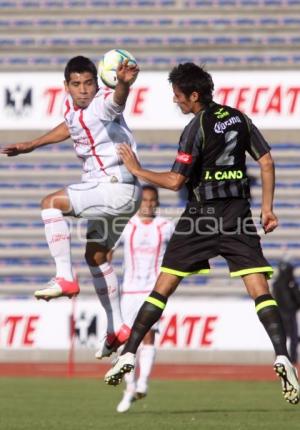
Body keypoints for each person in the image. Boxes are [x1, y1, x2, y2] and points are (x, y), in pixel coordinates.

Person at [104, 62, 299, 405]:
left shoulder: (196, 127)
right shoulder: (239, 117)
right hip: (239, 213)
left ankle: (129, 353)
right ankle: (282, 355)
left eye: (178, 96)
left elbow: (175, 181)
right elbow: (266, 161)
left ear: (194, 96)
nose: (176, 102)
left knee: (162, 286)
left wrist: (137, 169)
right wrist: (268, 208)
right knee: (260, 290)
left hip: (202, 216)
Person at [1, 55, 141, 358]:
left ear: (97, 82)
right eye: (76, 84)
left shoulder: (103, 100)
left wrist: (125, 86)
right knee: (96, 256)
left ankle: (64, 276)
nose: (83, 90)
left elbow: (116, 102)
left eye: (88, 83)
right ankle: (117, 326)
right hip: (123, 194)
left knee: (49, 204)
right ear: (66, 86)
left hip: (113, 186)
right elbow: (69, 126)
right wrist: (31, 145)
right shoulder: (72, 108)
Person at [112, 185, 174, 412]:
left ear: (157, 202)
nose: (148, 204)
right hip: (129, 291)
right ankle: (129, 387)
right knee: (127, 340)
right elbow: (107, 252)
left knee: (149, 336)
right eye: (144, 200)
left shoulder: (166, 226)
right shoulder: (126, 225)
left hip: (154, 291)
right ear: (138, 202)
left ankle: (143, 383)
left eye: (152, 200)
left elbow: (177, 253)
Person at [273, 257, 300, 364]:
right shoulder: (291, 283)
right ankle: (291, 358)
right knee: (292, 337)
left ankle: (280, 357)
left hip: (280, 313)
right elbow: (297, 298)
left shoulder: (277, 284)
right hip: (289, 313)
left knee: (281, 337)